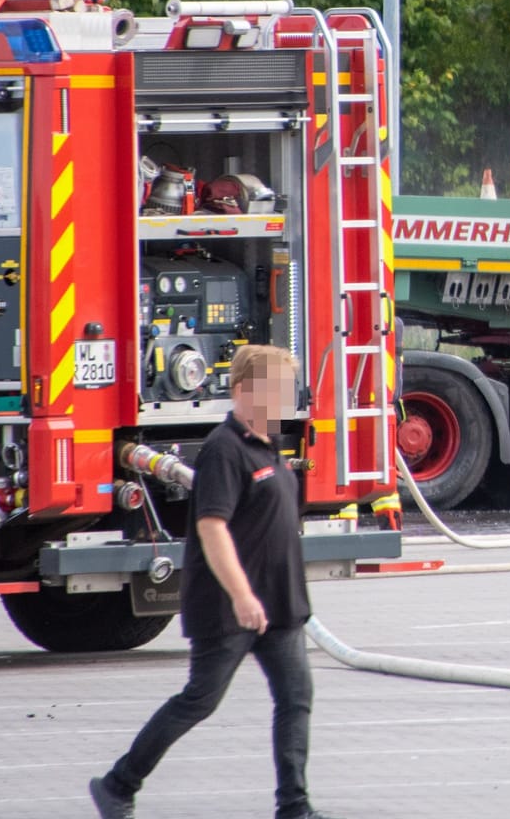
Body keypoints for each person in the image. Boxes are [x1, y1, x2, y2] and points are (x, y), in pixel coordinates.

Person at [91, 344, 340, 819]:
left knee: (296, 698)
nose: (285, 398)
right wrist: (242, 594)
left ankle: (295, 806)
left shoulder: (269, 445)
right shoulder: (224, 451)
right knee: (199, 700)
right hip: (230, 606)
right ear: (245, 391)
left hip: (280, 605)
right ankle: (118, 784)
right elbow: (211, 526)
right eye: (276, 389)